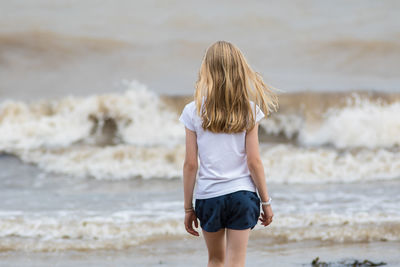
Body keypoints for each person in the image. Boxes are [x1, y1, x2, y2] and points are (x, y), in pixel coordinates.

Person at [179, 40, 279, 267]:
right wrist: (266, 202)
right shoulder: (249, 110)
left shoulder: (192, 111)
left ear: (206, 70)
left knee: (215, 260)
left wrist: (188, 208)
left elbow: (190, 165)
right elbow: (254, 162)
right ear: (239, 70)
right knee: (236, 262)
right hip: (242, 195)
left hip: (209, 196)